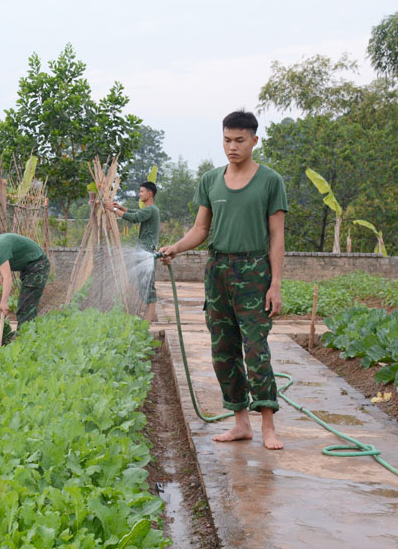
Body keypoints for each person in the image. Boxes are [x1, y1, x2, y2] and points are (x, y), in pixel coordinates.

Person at [158, 110, 288, 450]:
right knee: (223, 350)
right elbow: (201, 230)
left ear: (254, 141)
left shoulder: (270, 181)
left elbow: (277, 237)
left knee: (256, 350)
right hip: (217, 272)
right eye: (228, 140)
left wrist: (274, 284)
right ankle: (240, 423)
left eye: (240, 140)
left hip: (254, 272)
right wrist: (177, 247)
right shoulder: (211, 180)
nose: (233, 147)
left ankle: (268, 427)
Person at [106, 181, 161, 321]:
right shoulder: (150, 210)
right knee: (143, 283)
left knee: (147, 284)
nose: (139, 193)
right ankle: (150, 315)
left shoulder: (151, 210)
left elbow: (135, 218)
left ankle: (148, 319)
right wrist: (122, 208)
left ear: (150, 194)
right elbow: (137, 213)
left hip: (147, 250)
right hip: (145, 249)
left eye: (142, 191)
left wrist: (113, 210)